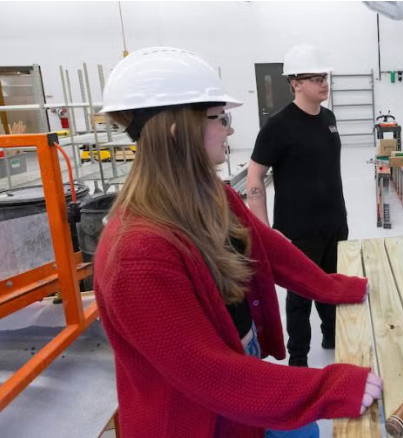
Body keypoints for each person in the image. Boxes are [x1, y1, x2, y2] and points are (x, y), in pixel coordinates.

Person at [94, 47, 382, 438]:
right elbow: (206, 372)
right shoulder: (137, 254)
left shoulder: (211, 196)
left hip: (239, 399)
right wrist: (329, 387)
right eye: (220, 118)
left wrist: (338, 287)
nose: (230, 130)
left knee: (307, 431)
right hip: (194, 420)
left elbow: (270, 251)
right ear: (181, 131)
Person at [247, 44, 347, 367]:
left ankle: (332, 335)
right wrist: (266, 232)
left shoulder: (329, 118)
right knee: (300, 297)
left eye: (325, 76)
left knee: (332, 285)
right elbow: (254, 178)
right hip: (298, 231)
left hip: (334, 224)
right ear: (295, 83)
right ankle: (299, 358)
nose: (323, 82)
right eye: (316, 77)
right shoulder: (277, 127)